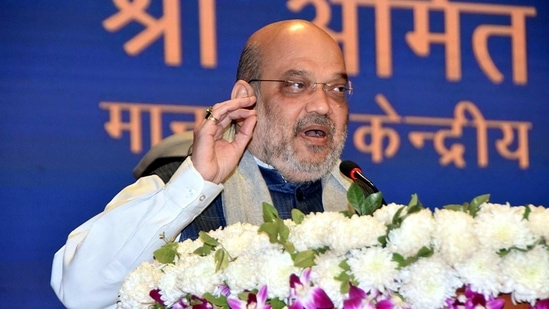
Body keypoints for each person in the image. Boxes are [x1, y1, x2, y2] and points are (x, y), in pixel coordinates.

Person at [51, 19, 360, 309]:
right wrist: (195, 184)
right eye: (296, 84)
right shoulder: (178, 187)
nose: (323, 105)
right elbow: (80, 291)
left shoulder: (358, 203)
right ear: (246, 97)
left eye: (336, 89)